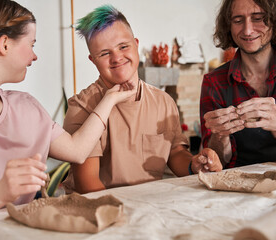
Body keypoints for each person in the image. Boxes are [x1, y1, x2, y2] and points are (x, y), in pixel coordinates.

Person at [0, 0, 137, 223]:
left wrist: (111, 98)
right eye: (31, 44)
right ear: (4, 44)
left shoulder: (26, 107)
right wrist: (0, 191)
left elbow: (77, 150)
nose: (34, 56)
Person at [62, 5, 222, 194]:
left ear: (136, 44)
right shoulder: (82, 107)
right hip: (99, 210)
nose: (117, 58)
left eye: (123, 46)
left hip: (148, 204)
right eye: (105, 53)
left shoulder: (164, 102)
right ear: (93, 60)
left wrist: (194, 165)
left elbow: (175, 153)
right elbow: (88, 184)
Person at [200, 0, 276, 168]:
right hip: (237, 188)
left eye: (258, 18)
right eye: (238, 20)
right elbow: (215, 162)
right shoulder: (214, 82)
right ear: (228, 26)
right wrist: (219, 136)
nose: (248, 30)